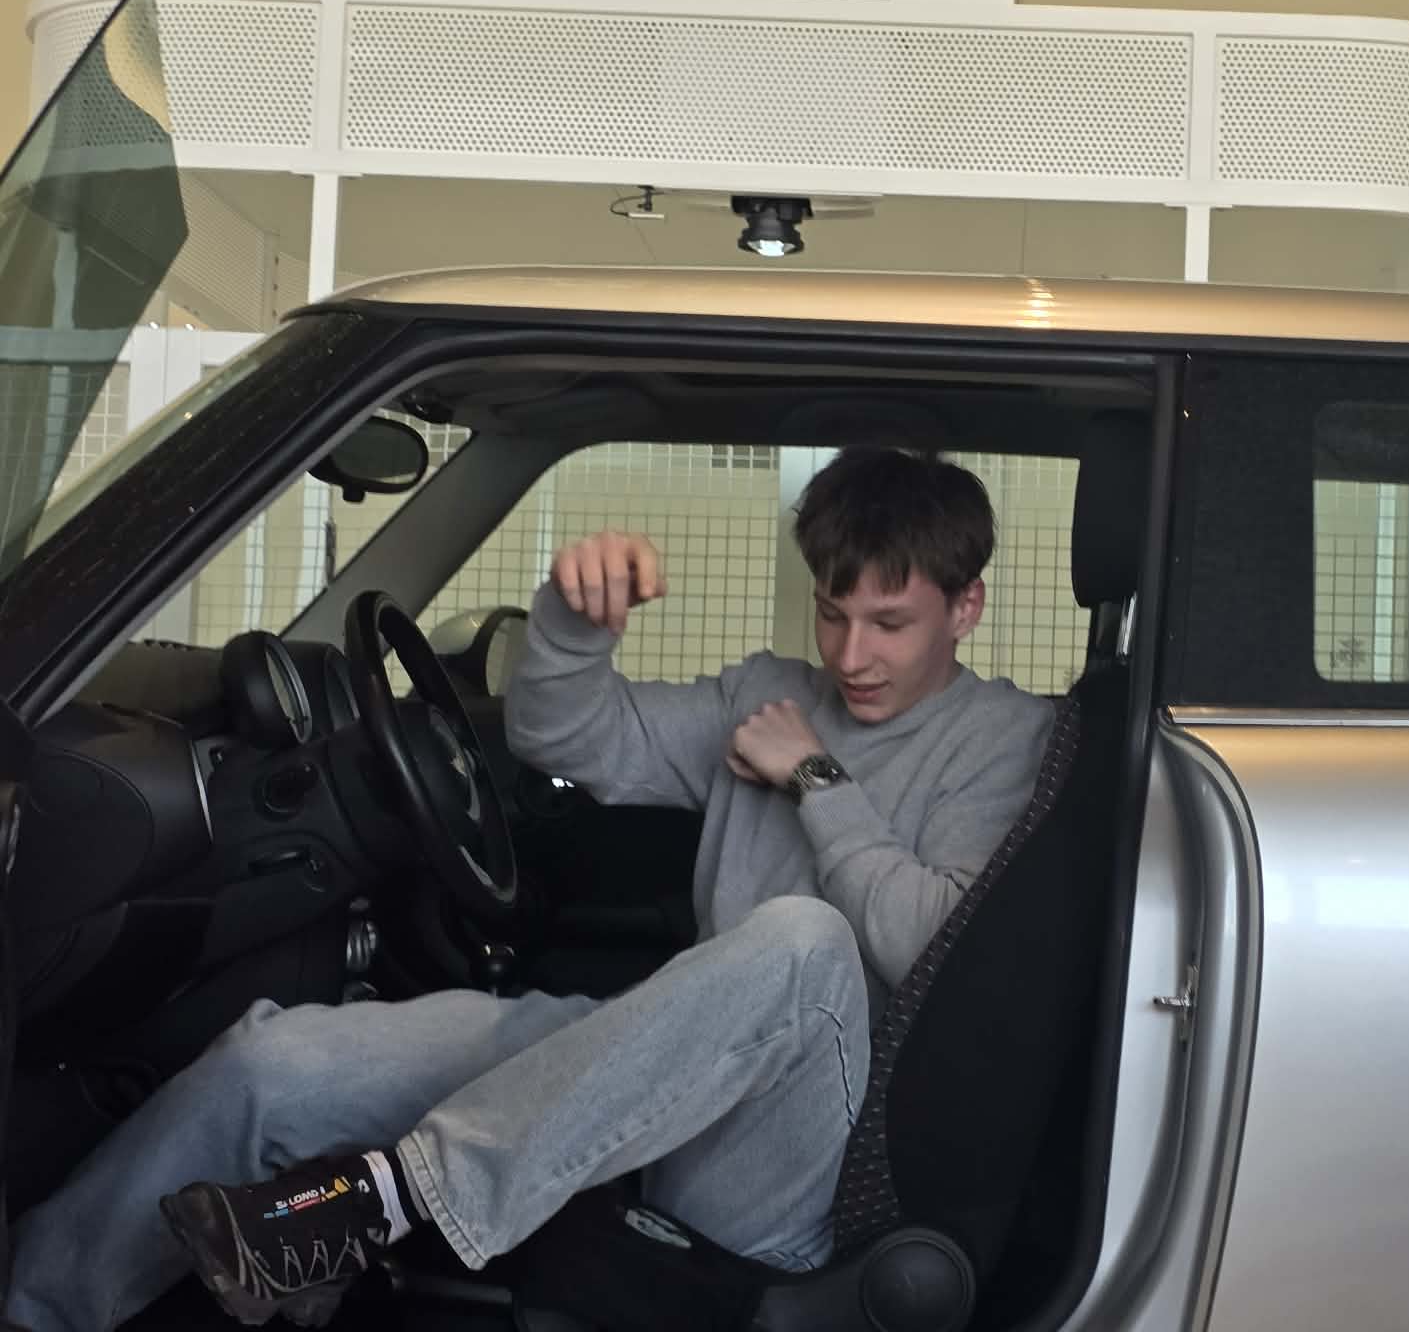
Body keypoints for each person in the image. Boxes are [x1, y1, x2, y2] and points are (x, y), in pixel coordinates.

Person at [5, 447, 1054, 1332]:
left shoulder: (1004, 736)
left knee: (805, 940)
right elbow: (568, 740)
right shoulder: (772, 696)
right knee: (273, 1064)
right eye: (831, 615)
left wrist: (817, 780)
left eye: (889, 624)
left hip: (811, 1134)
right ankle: (36, 1310)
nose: (851, 655)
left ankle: (388, 1198)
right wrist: (573, 623)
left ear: (965, 608)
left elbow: (926, 944)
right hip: (662, 1052)